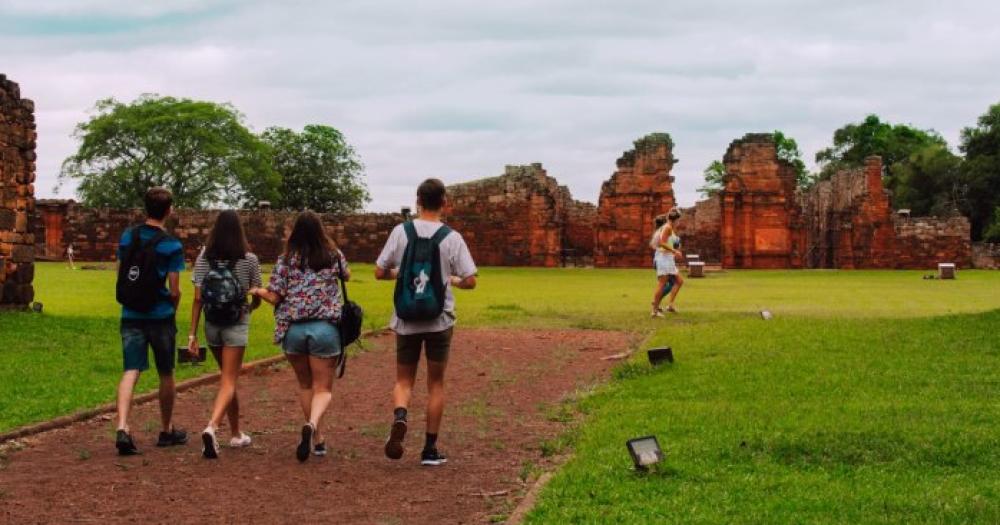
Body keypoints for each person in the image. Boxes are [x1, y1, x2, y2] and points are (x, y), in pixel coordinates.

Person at [375, 178, 478, 467]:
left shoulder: (401, 232)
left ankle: (400, 415)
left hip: (406, 317)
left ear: (417, 199)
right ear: (445, 203)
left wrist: (403, 273)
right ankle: (430, 450)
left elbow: (379, 272)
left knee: (404, 379)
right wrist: (452, 279)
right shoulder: (451, 237)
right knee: (436, 383)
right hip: (439, 319)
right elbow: (470, 280)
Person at [250, 211, 349, 462]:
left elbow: (274, 296)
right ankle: (314, 426)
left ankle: (317, 437)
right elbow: (346, 275)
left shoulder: (286, 260)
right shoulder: (333, 256)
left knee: (306, 385)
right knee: (323, 389)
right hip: (325, 329)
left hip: (293, 330)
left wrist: (258, 290)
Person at [114, 187, 187, 455]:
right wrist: (172, 308)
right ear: (169, 210)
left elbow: (121, 273)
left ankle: (122, 426)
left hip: (131, 313)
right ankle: (166, 429)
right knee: (166, 372)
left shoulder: (127, 236)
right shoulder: (171, 244)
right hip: (160, 316)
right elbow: (175, 288)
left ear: (146, 208)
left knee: (131, 370)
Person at [187, 210, 263, 459]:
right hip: (236, 322)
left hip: (212, 324)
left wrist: (192, 335)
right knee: (229, 380)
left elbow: (197, 298)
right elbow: (256, 293)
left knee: (227, 379)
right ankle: (212, 427)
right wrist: (250, 307)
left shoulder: (204, 258)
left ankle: (236, 432)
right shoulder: (249, 259)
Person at [650, 208, 684, 317]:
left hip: (668, 259)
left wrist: (675, 249)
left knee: (679, 281)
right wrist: (675, 251)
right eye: (678, 220)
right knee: (662, 283)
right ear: (675, 219)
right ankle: (654, 310)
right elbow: (662, 243)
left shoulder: (670, 228)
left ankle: (670, 305)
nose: (679, 223)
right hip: (663, 258)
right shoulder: (668, 227)